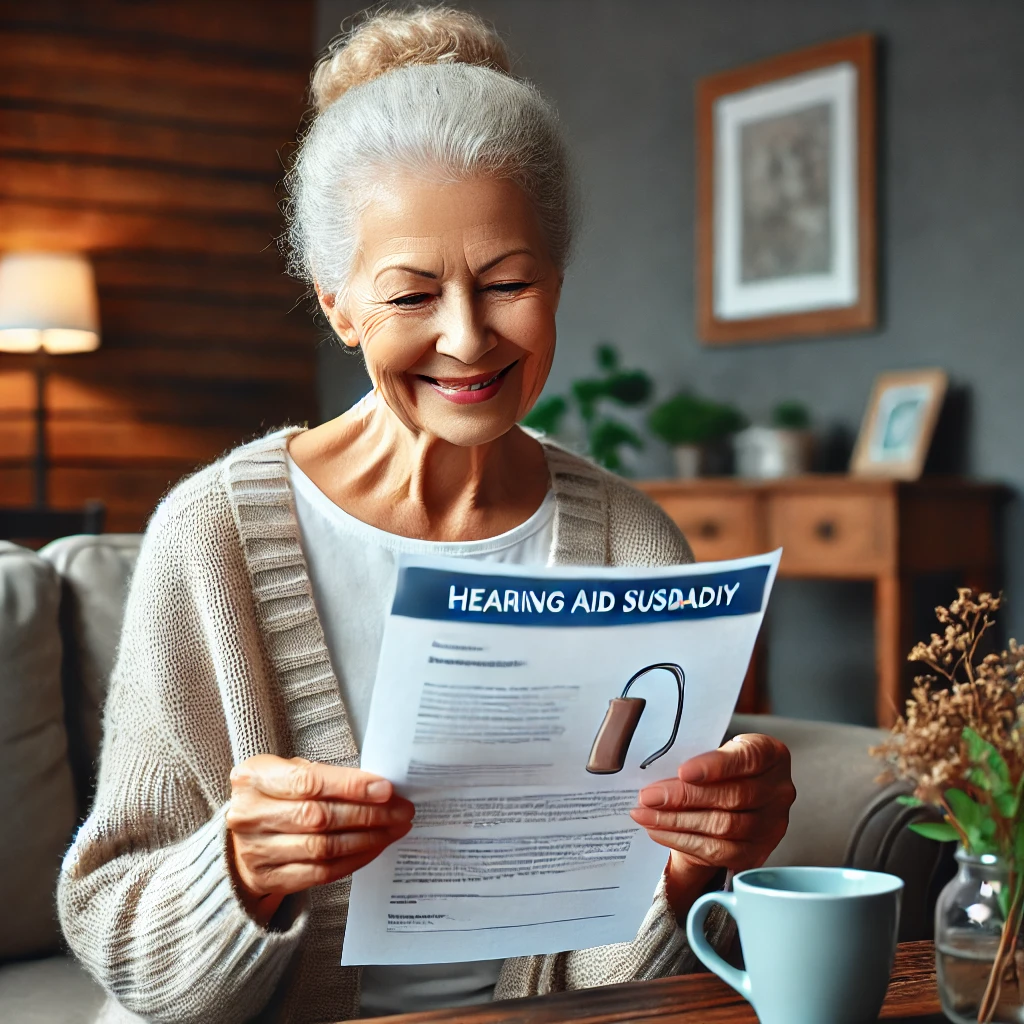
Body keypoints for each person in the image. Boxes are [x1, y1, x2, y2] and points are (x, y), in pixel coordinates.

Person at [57, 7, 795, 1023]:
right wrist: (238, 870)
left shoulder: (634, 546)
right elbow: (118, 933)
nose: (466, 337)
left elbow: (622, 983)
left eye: (508, 283)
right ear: (337, 303)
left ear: (558, 280)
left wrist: (687, 869)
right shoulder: (213, 540)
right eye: (410, 295)